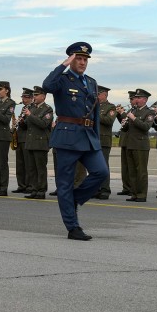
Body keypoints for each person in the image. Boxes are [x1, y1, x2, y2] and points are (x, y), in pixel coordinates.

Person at [42, 42, 108, 241]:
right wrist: (64, 64)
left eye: (85, 59)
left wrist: (95, 136)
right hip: (67, 137)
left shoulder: (92, 82)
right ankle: (73, 227)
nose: (82, 62)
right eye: (78, 58)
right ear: (71, 59)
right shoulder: (62, 80)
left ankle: (75, 199)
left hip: (88, 136)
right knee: (64, 184)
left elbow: (95, 113)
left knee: (101, 172)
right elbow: (46, 86)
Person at [122, 89, 154, 202]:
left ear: (145, 100)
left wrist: (133, 118)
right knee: (132, 171)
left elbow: (146, 127)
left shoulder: (149, 112)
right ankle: (134, 193)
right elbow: (128, 128)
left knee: (141, 171)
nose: (136, 99)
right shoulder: (133, 110)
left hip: (141, 145)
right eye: (136, 97)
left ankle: (141, 195)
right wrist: (124, 124)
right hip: (130, 144)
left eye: (139, 98)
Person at [21, 86, 53, 199]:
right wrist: (21, 121)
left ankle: (41, 190)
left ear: (43, 96)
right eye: (33, 95)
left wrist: (30, 115)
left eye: (36, 95)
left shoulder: (48, 109)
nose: (34, 97)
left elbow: (43, 124)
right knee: (31, 168)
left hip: (40, 143)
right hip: (30, 142)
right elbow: (26, 125)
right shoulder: (32, 108)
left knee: (40, 169)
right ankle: (34, 189)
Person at [96, 86, 114, 199]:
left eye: (98, 94)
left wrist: (95, 114)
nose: (96, 96)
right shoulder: (94, 106)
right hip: (93, 140)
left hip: (104, 140)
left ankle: (105, 189)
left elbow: (109, 121)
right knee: (94, 166)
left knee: (103, 166)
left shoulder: (110, 107)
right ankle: (96, 188)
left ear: (104, 95)